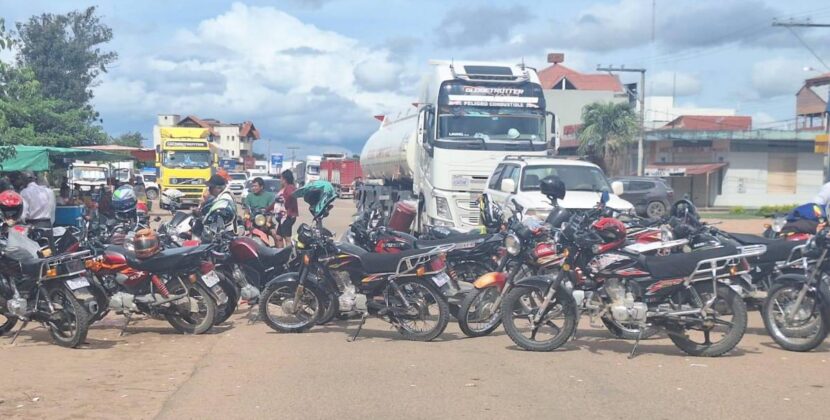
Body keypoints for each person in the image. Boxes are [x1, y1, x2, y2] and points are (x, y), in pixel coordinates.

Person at [276, 170, 299, 247]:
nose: (280, 180)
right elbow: (277, 201)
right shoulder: (284, 188)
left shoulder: (289, 188)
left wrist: (286, 205)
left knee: (287, 238)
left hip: (287, 217)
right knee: (278, 237)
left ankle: (289, 255)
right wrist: (268, 209)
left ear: (285, 179)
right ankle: (281, 253)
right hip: (282, 217)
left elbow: (290, 197)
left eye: (281, 178)